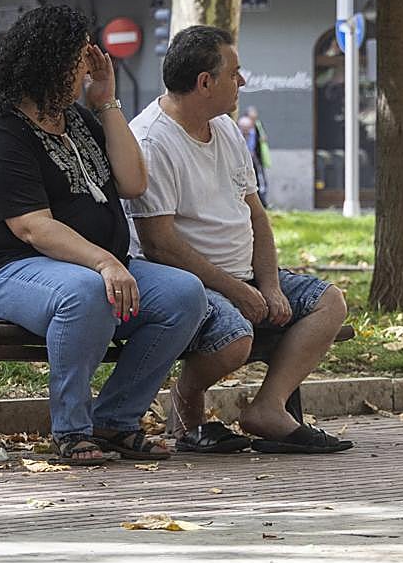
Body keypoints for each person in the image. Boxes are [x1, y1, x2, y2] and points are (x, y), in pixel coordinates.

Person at [0, 4, 209, 465]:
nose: (89, 64)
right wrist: (105, 262)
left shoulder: (81, 124)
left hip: (80, 268)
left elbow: (132, 183)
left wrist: (106, 101)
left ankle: (115, 420)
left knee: (184, 294)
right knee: (87, 292)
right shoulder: (0, 134)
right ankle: (70, 430)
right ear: (48, 63)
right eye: (79, 57)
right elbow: (32, 225)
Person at [124, 26, 352, 454]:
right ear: (204, 82)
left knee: (329, 302)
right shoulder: (152, 141)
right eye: (235, 72)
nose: (242, 81)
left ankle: (268, 408)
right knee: (234, 336)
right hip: (192, 285)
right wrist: (235, 290)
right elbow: (160, 245)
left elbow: (256, 214)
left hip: (246, 276)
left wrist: (267, 283)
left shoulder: (225, 129)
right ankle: (186, 407)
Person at [237, 105, 271, 207]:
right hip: (244, 159)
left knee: (259, 179)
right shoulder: (238, 131)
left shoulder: (256, 127)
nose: (247, 132)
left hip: (255, 158)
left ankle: (262, 202)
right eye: (244, 130)